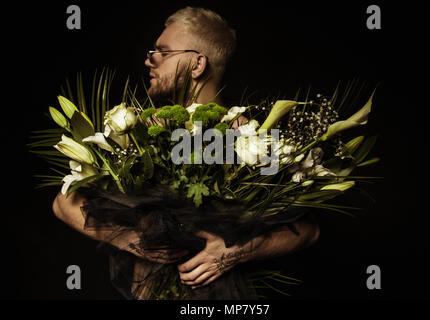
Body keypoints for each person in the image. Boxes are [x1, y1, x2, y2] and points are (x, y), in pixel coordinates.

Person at [52, 6, 320, 299]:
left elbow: (307, 230)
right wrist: (132, 239)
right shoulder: (135, 132)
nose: (148, 60)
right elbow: (63, 202)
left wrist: (237, 252)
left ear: (197, 64)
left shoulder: (250, 138)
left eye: (162, 52)